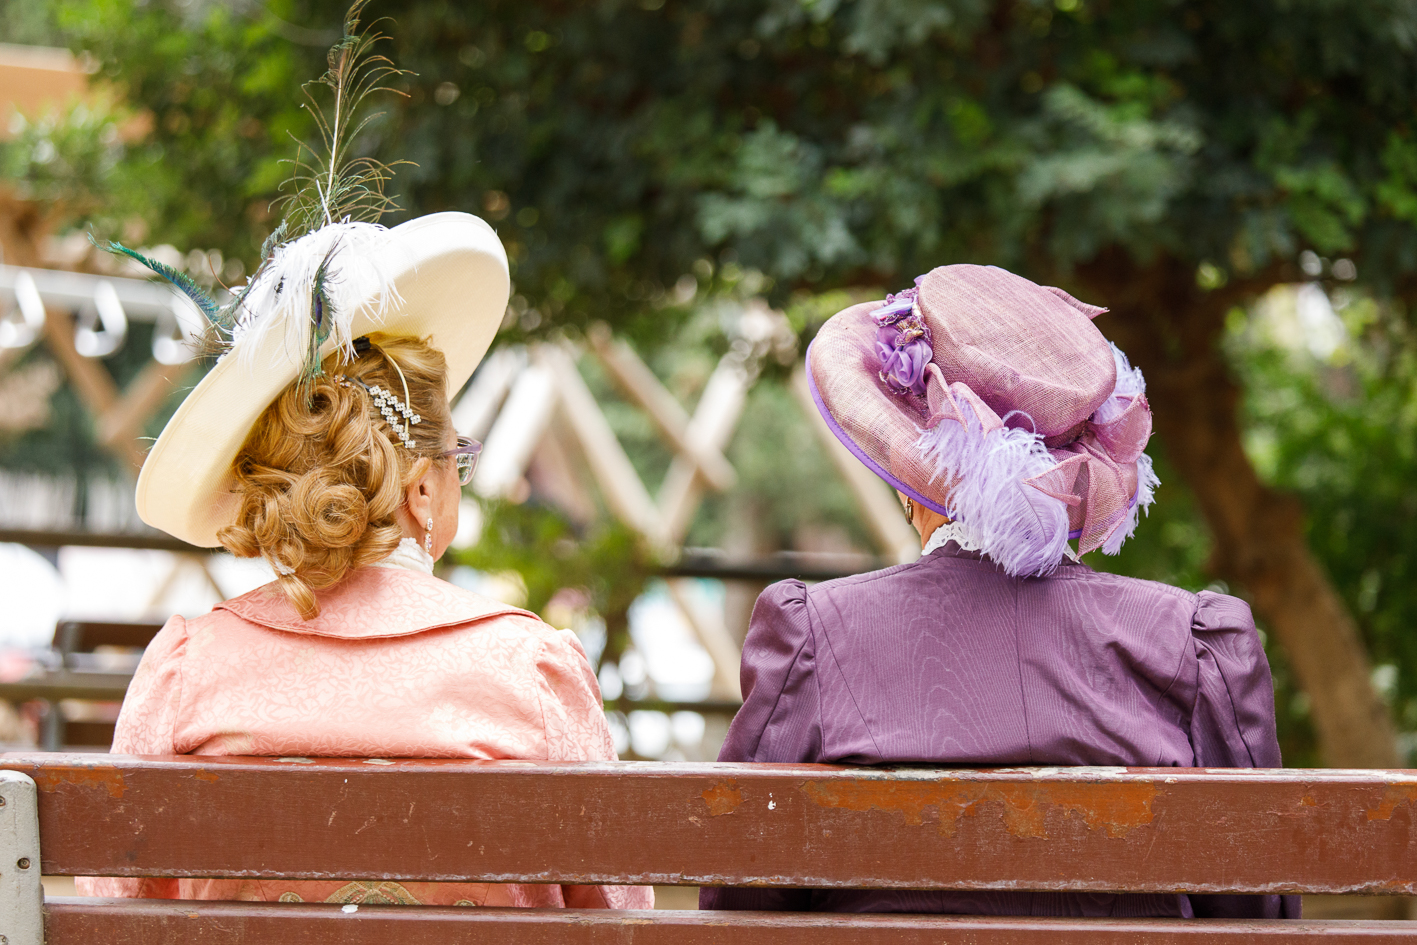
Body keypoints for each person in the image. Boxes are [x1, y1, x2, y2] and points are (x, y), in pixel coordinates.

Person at [76, 6, 650, 911]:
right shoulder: (531, 669)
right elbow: (616, 918)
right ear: (423, 487)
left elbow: (114, 907)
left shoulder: (186, 668)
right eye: (456, 452)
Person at [701, 264, 1297, 919]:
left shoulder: (814, 633)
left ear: (911, 478)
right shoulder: (1193, 646)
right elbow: (1257, 907)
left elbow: (740, 893)